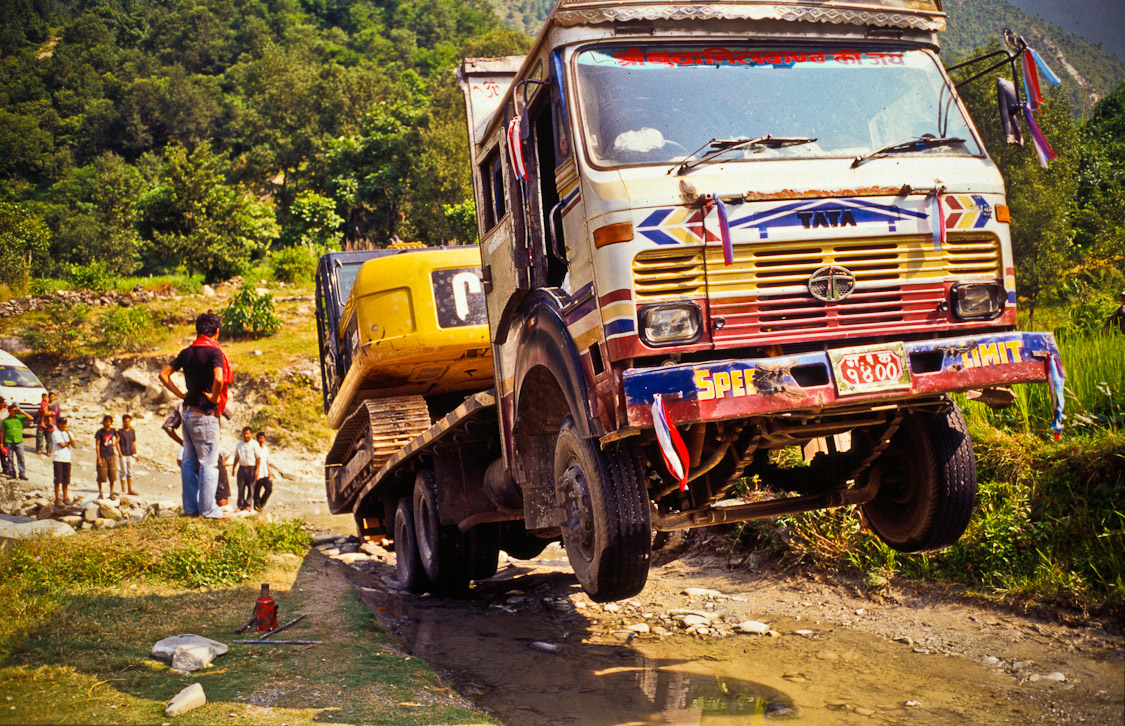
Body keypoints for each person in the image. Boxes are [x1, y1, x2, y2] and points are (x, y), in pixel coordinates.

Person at [159, 312, 232, 519]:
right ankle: (208, 510)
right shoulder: (214, 352)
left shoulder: (187, 352)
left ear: (197, 330)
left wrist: (180, 393)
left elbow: (163, 375)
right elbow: (219, 378)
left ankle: (190, 509)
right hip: (205, 414)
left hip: (188, 411)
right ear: (217, 332)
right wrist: (215, 397)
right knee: (209, 463)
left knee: (189, 461)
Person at [231, 427, 260, 512]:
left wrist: (257, 470)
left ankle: (248, 505)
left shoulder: (255, 444)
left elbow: (258, 458)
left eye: (248, 433)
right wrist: (233, 468)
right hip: (242, 468)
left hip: (251, 468)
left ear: (251, 434)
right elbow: (236, 457)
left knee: (251, 488)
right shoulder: (239, 444)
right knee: (241, 487)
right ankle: (240, 506)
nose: (246, 435)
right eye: (244, 433)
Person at [3, 403, 30, 479]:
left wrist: (22, 412)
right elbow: (2, 432)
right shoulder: (6, 421)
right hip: (9, 441)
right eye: (11, 411)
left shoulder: (20, 418)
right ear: (9, 411)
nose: (13, 412)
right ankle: (12, 474)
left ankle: (22, 474)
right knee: (10, 458)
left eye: (14, 411)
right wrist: (2, 443)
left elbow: (31, 418)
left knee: (21, 457)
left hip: (19, 441)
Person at [94, 415, 119, 499]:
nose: (108, 423)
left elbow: (118, 437)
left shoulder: (113, 430)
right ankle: (100, 493)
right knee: (101, 475)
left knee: (112, 475)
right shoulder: (100, 432)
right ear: (103, 422)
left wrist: (115, 442)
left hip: (111, 455)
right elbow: (97, 445)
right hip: (103, 455)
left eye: (109, 422)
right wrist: (99, 458)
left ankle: (111, 493)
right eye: (106, 421)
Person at [253, 431, 277, 512]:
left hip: (265, 472)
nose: (261, 440)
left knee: (269, 489)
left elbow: (266, 460)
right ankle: (256, 506)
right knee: (257, 490)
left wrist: (269, 471)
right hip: (257, 472)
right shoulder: (254, 448)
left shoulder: (266, 449)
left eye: (263, 438)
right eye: (260, 438)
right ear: (256, 439)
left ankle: (261, 504)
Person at [52, 417, 74, 505]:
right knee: (58, 479)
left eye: (65, 423)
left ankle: (65, 496)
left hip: (67, 459)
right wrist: (69, 442)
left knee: (66, 479)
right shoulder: (55, 433)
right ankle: (57, 497)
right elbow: (62, 445)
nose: (64, 425)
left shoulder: (69, 433)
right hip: (58, 458)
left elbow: (74, 444)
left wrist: (68, 433)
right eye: (62, 423)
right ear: (58, 424)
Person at [117, 413, 139, 496]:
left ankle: (130, 489)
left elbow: (134, 442)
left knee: (130, 472)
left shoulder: (132, 431)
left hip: (130, 454)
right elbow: (117, 443)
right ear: (123, 422)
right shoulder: (119, 432)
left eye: (128, 421)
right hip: (123, 454)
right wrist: (120, 453)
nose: (127, 423)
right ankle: (123, 490)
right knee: (123, 472)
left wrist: (135, 454)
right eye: (125, 421)